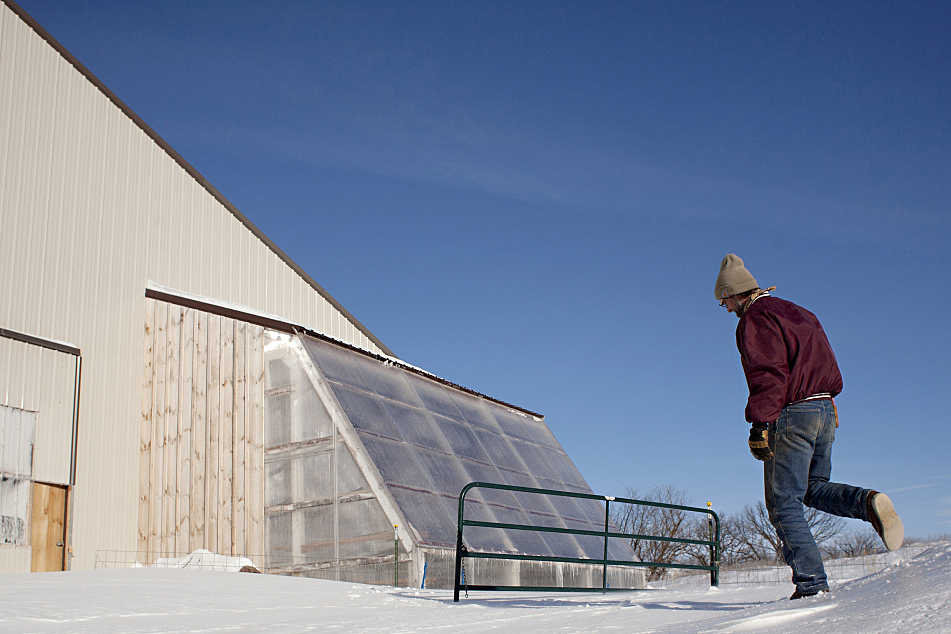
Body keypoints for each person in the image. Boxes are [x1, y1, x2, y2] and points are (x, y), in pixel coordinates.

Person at [715, 254, 903, 600]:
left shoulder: (756, 318)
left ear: (734, 293)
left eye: (723, 300)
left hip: (793, 413)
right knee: (812, 488)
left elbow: (768, 371)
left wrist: (760, 423)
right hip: (826, 410)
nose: (724, 308)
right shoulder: (800, 312)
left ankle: (811, 585)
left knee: (784, 503)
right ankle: (866, 503)